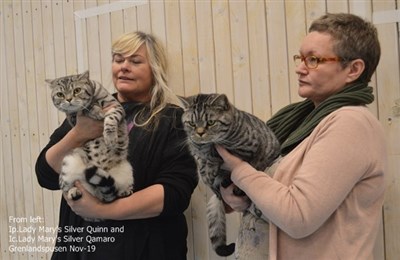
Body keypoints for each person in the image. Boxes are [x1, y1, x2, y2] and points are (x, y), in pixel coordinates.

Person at [217, 13, 386, 260]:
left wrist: (239, 170)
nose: (299, 68)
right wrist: (232, 195)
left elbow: (297, 216)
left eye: (313, 60)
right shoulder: (299, 119)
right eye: (300, 58)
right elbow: (267, 192)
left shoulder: (351, 124)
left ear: (353, 69)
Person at [35, 31, 198, 260]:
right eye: (118, 59)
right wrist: (79, 134)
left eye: (135, 61)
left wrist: (102, 211)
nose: (124, 67)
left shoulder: (171, 119)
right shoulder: (85, 111)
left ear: (155, 68)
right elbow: (45, 175)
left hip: (142, 248)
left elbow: (175, 193)